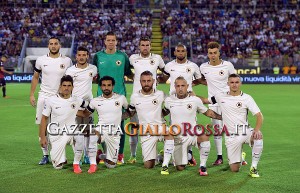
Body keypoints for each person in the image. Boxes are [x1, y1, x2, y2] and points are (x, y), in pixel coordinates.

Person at [201, 74, 263, 177]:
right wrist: (192, 95)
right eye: (232, 82)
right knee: (234, 169)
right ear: (228, 84)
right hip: (231, 136)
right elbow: (205, 101)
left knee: (258, 136)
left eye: (237, 82)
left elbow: (259, 116)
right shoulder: (220, 96)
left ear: (240, 83)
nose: (234, 85)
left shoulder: (247, 98)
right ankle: (240, 155)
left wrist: (256, 130)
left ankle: (254, 168)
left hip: (244, 130)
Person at [164, 76, 222, 176]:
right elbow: (163, 112)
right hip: (178, 137)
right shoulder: (169, 100)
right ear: (174, 87)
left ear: (187, 87)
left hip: (193, 133)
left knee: (204, 135)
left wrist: (222, 117)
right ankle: (180, 156)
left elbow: (208, 112)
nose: (180, 88)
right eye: (178, 86)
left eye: (183, 86)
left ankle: (202, 166)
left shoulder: (195, 100)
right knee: (180, 167)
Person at [160, 44, 206, 166]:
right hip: (173, 100)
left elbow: (199, 79)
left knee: (190, 127)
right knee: (174, 128)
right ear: (175, 53)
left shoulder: (193, 66)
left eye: (183, 51)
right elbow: (164, 78)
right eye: (178, 51)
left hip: (188, 100)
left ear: (186, 52)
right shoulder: (169, 65)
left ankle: (189, 154)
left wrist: (190, 86)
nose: (180, 53)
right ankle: (176, 153)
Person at [30, 37, 72, 165]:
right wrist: (32, 94)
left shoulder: (67, 60)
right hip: (44, 96)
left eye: (56, 44)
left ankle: (58, 154)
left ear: (60, 45)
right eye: (51, 44)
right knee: (42, 126)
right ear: (48, 46)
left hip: (60, 98)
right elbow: (36, 77)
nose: (53, 46)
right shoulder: (41, 60)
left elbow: (70, 80)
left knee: (58, 127)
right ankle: (45, 154)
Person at [93, 31, 132, 164]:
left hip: (119, 95)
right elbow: (94, 74)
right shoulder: (98, 56)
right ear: (105, 42)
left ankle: (120, 154)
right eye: (108, 40)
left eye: (113, 40)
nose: (110, 42)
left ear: (116, 42)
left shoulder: (122, 56)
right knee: (103, 125)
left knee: (120, 125)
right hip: (101, 96)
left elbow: (128, 73)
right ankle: (105, 152)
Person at [199, 41, 238, 166]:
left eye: (215, 53)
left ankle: (236, 156)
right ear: (208, 54)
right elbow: (202, 80)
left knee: (232, 130)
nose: (213, 55)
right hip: (213, 103)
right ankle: (219, 157)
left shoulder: (227, 65)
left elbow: (235, 81)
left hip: (228, 102)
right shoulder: (203, 67)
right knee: (217, 131)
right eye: (210, 53)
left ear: (219, 53)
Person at [127, 37, 165, 164]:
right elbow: (126, 71)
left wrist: (160, 81)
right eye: (142, 45)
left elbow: (166, 71)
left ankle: (163, 150)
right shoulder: (133, 58)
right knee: (133, 129)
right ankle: (133, 155)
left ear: (150, 46)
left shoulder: (157, 58)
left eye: (147, 45)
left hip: (153, 99)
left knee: (159, 125)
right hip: (137, 99)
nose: (145, 47)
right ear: (139, 46)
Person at [39, 75, 88, 170]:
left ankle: (76, 162)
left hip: (71, 130)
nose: (66, 88)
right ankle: (61, 158)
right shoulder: (51, 100)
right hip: (56, 134)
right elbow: (44, 118)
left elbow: (89, 106)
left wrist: (82, 113)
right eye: (64, 85)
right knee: (58, 166)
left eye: (69, 85)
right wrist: (43, 137)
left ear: (72, 87)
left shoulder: (77, 100)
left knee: (79, 136)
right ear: (60, 86)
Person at [128, 71, 174, 174]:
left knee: (169, 133)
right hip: (146, 132)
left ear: (153, 81)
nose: (146, 83)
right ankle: (160, 157)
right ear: (140, 82)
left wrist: (162, 113)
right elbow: (131, 112)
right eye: (144, 81)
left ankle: (165, 165)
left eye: (149, 81)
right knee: (148, 165)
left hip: (160, 127)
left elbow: (170, 105)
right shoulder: (134, 97)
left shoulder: (160, 94)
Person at [84, 76, 129, 172]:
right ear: (100, 87)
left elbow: (129, 111)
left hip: (114, 133)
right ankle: (93, 164)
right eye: (104, 85)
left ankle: (100, 155)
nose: (106, 87)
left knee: (111, 165)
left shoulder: (121, 98)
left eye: (109, 85)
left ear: (113, 86)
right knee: (93, 135)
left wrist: (121, 117)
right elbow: (85, 113)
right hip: (101, 129)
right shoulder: (95, 101)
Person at [65, 46, 98, 166]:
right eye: (79, 55)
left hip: (88, 106)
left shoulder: (93, 69)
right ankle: (77, 156)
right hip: (75, 106)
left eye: (84, 55)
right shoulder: (70, 71)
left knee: (88, 132)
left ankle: (87, 156)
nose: (82, 57)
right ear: (76, 56)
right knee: (76, 133)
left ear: (87, 56)